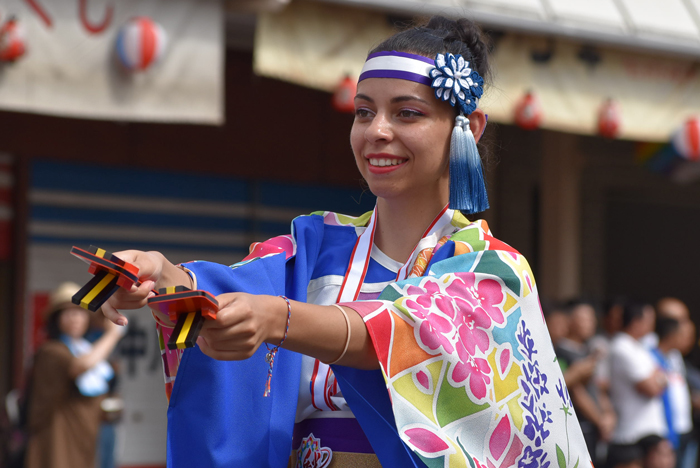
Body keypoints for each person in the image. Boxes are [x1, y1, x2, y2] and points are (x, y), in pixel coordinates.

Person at [103, 15, 591, 467]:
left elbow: (404, 331)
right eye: (364, 112)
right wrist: (160, 275)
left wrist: (276, 317)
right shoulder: (315, 245)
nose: (377, 131)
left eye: (407, 114)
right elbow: (227, 290)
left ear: (469, 128)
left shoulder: (491, 269)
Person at [24, 282, 124, 468]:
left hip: (85, 436)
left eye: (79, 312)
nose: (75, 318)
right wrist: (113, 334)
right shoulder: (51, 350)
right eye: (67, 312)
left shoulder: (84, 348)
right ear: (56, 319)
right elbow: (81, 366)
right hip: (58, 437)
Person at [608, 302, 668, 468]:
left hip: (648, 432)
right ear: (636, 321)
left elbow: (662, 375)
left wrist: (659, 378)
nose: (652, 325)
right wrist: (660, 379)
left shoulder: (641, 347)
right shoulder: (621, 347)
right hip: (630, 434)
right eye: (650, 320)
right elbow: (651, 388)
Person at [555, 300, 615, 464]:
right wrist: (600, 421)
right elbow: (576, 392)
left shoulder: (587, 351)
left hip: (594, 426)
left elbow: (599, 388)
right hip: (580, 426)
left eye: (592, 319)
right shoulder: (560, 351)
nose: (591, 323)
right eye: (585, 319)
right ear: (569, 321)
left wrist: (608, 414)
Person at [653, 298, 697, 468]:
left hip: (684, 428)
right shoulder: (649, 347)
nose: (685, 326)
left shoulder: (675, 355)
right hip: (664, 431)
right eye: (680, 321)